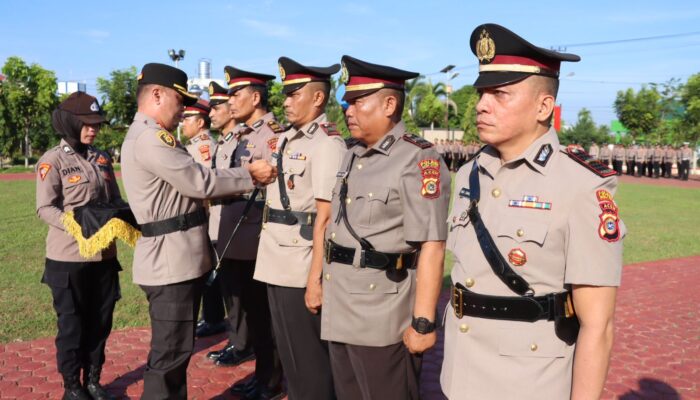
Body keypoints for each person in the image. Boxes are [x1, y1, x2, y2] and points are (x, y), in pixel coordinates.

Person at [440, 24, 625, 400]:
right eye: (481, 93)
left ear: (543, 107)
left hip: (527, 383)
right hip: (459, 374)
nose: (481, 104)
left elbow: (598, 325)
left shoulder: (581, 186)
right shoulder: (468, 173)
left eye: (500, 94)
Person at [120, 63, 276, 399]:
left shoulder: (148, 135)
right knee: (169, 356)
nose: (183, 112)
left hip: (173, 258)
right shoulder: (151, 138)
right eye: (180, 101)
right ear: (158, 95)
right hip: (170, 262)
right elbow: (199, 181)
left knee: (172, 353)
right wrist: (250, 175)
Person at [321, 55, 450, 400]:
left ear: (389, 104)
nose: (348, 110)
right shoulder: (351, 153)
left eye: (358, 102)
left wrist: (423, 323)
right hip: (341, 305)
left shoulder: (418, 159)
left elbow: (432, 246)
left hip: (382, 316)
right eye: (347, 102)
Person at [253, 57, 346, 400]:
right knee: (290, 355)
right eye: (285, 95)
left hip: (300, 262)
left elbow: (325, 217)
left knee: (309, 360)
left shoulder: (326, 143)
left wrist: (315, 278)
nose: (286, 101)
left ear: (318, 99)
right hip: (276, 257)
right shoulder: (288, 139)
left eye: (294, 94)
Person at [37, 92, 123, 400]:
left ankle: (93, 381)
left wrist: (124, 214)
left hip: (104, 255)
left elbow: (113, 199)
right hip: (68, 257)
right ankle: (72, 386)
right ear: (71, 123)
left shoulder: (101, 158)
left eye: (97, 124)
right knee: (72, 325)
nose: (93, 130)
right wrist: (74, 224)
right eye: (86, 124)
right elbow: (45, 207)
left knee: (100, 322)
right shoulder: (52, 160)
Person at [216, 65, 285, 399]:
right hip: (235, 228)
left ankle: (270, 380)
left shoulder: (271, 134)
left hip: (256, 228)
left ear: (256, 97)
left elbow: (274, 183)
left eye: (236, 94)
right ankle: (261, 375)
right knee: (248, 309)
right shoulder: (240, 133)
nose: (231, 101)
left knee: (263, 312)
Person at [203, 79, 254, 355]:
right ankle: (238, 340)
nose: (211, 113)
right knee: (229, 289)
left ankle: (243, 344)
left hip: (239, 225)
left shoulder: (241, 139)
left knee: (241, 291)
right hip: (220, 223)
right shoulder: (225, 141)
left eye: (216, 107)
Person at [182, 99, 215, 167]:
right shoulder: (197, 143)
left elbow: (205, 175)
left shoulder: (204, 146)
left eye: (186, 120)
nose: (183, 124)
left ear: (200, 123)